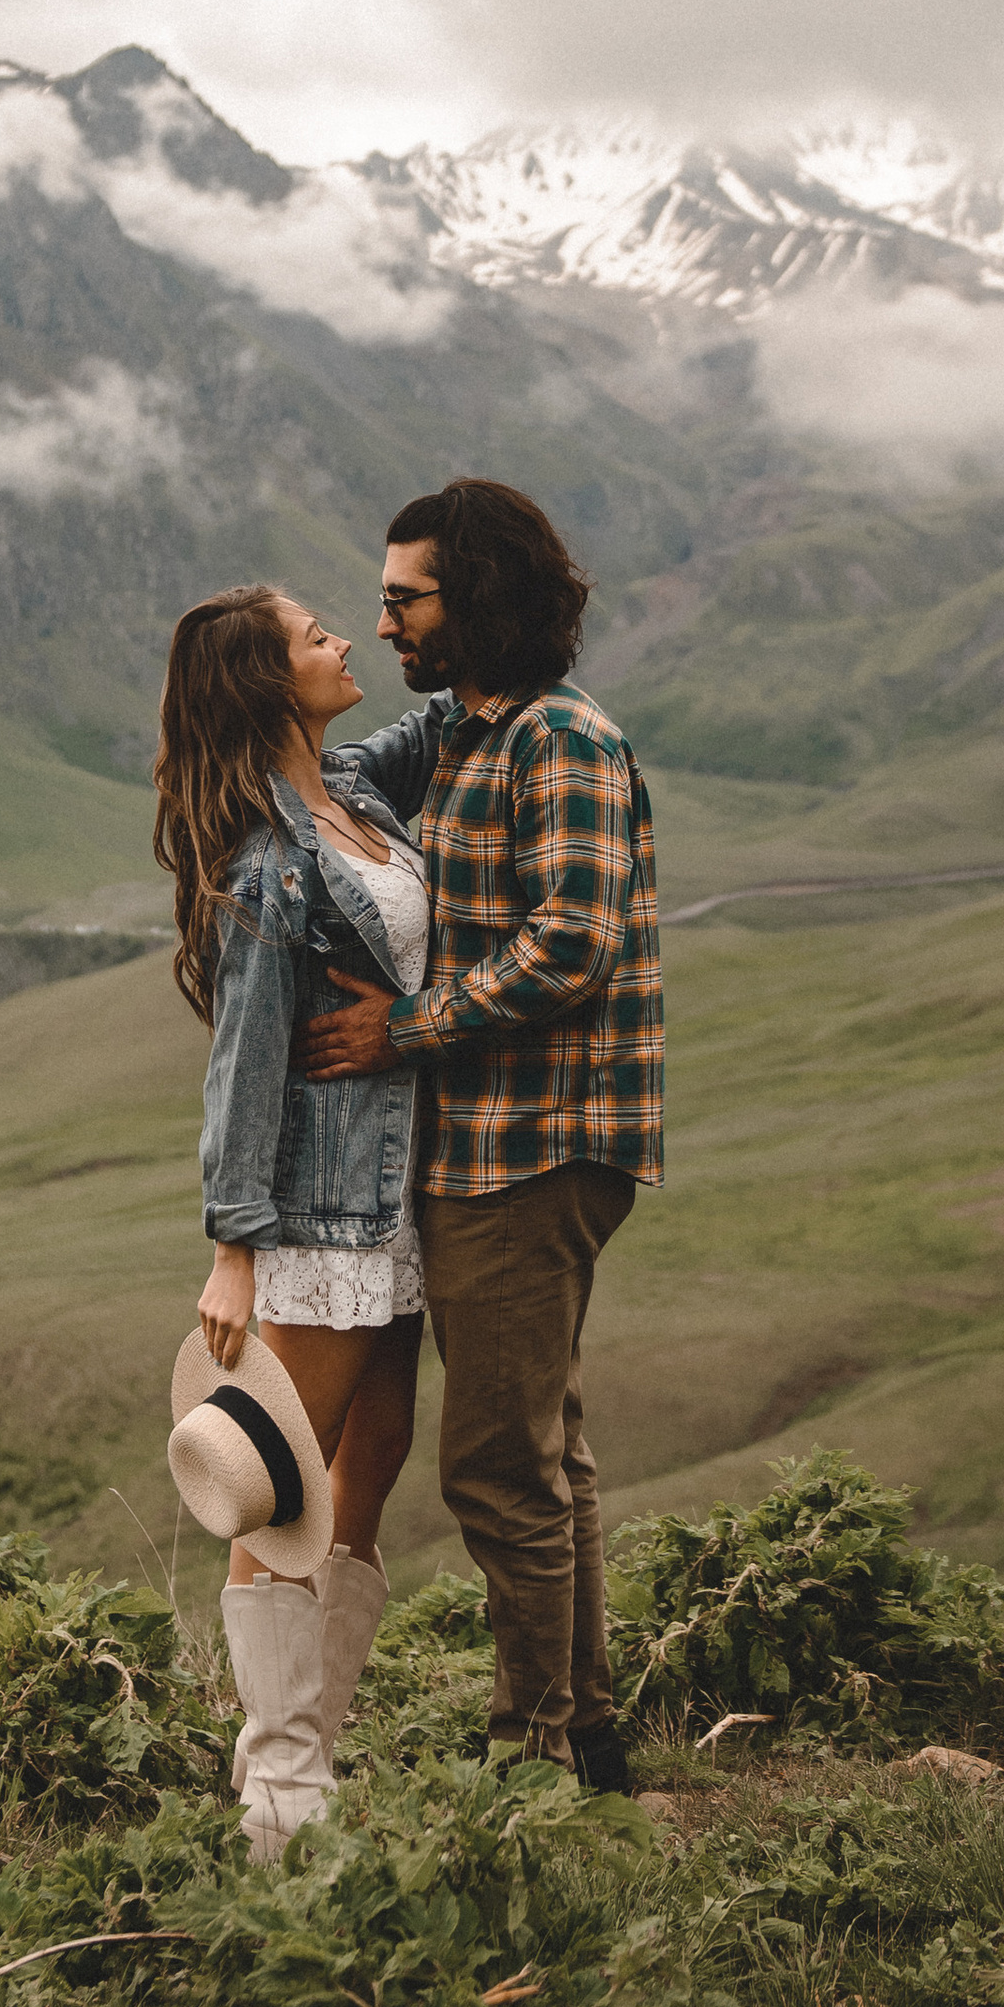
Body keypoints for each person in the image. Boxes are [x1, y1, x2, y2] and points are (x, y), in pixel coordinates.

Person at [302, 477, 662, 1790]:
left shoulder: (557, 742)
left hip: (537, 1143)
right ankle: (591, 1730)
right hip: (494, 1142)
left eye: (406, 599)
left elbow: (574, 938)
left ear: (479, 600)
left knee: (498, 1465)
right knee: (546, 1448)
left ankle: (535, 1754)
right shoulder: (456, 729)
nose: (384, 621)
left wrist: (404, 1027)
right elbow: (327, 773)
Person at [151, 584, 429, 1853]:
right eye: (319, 636)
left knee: (364, 1480)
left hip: (395, 1205)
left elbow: (459, 726)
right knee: (279, 1498)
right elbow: (243, 1057)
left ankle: (315, 1757)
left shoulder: (355, 795)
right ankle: (276, 1801)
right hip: (316, 1220)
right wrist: (233, 1250)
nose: (347, 642)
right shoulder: (269, 865)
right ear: (272, 685)